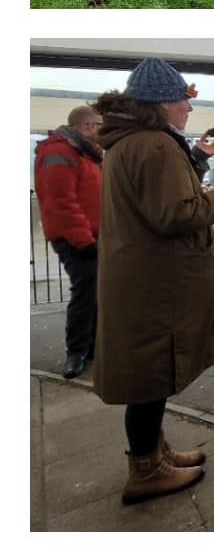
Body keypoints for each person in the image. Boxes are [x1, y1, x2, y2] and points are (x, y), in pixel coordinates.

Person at [91, 59, 214, 504]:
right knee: (151, 377)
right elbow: (177, 213)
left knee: (150, 377)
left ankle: (154, 454)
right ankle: (145, 472)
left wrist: (196, 158)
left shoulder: (130, 142)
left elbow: (161, 196)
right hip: (155, 284)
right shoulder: (154, 145)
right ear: (162, 103)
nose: (188, 109)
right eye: (184, 99)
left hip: (141, 278)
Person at [34, 104, 103, 379]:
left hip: (90, 232)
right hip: (76, 237)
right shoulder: (58, 152)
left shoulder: (84, 153)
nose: (101, 130)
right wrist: (83, 241)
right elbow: (60, 202)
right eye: (99, 125)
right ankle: (76, 352)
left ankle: (93, 346)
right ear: (87, 127)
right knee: (85, 291)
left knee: (95, 290)